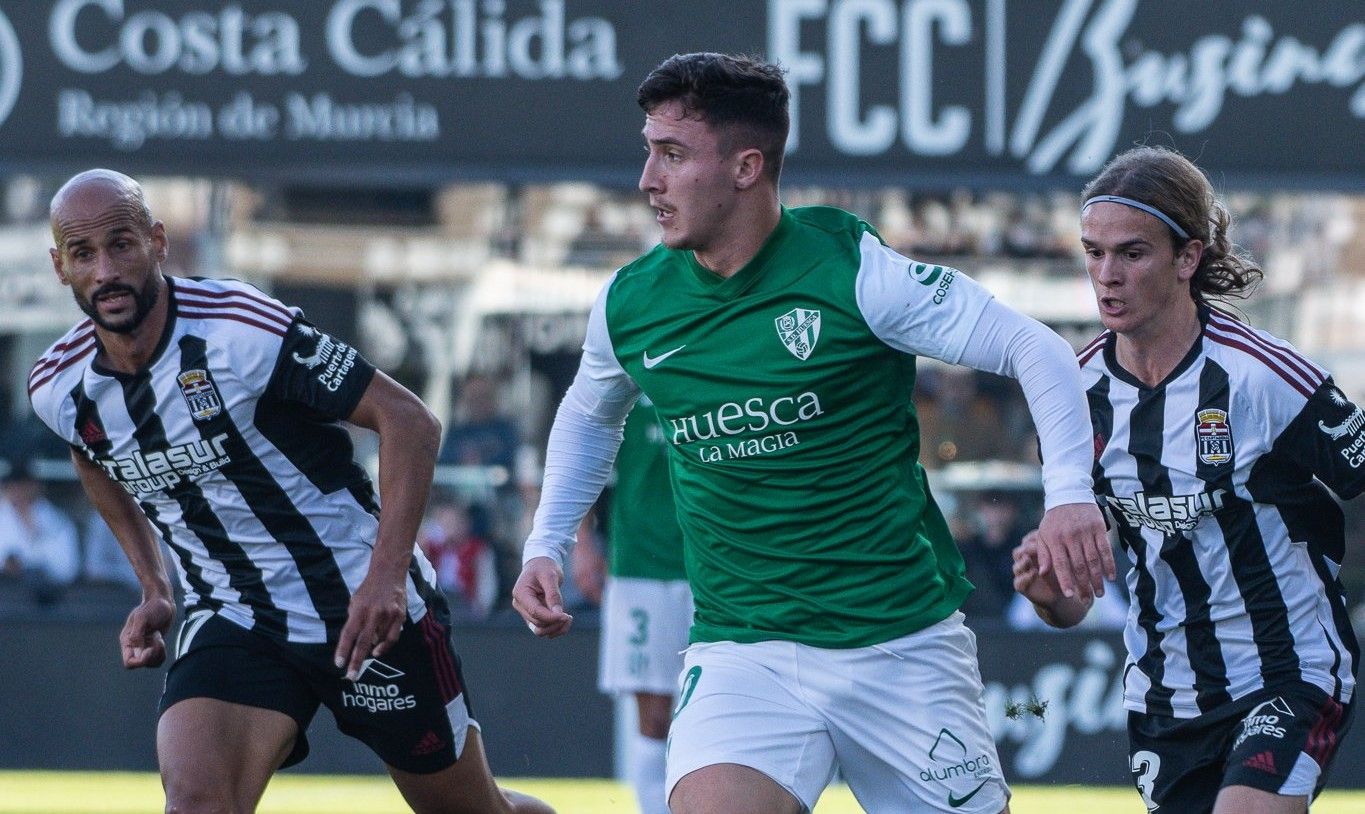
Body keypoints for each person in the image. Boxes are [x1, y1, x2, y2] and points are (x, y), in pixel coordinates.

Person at [512, 52, 1113, 814]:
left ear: (745, 167)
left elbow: (1038, 348)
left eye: (671, 155)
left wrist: (1067, 499)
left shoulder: (852, 272)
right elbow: (587, 414)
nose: (646, 182)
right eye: (648, 151)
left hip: (901, 646)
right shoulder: (632, 303)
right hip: (743, 648)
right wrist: (547, 543)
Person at [28, 169, 552, 814]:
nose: (106, 270)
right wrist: (155, 586)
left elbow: (410, 421)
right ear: (60, 266)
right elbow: (93, 455)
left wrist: (387, 578)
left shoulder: (240, 329)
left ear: (158, 242)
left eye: (122, 245)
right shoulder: (59, 386)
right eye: (84, 254)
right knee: (197, 800)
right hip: (234, 612)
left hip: (361, 602)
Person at [1012, 146, 1359, 814]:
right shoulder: (1071, 397)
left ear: (1187, 258)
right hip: (1164, 698)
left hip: (1285, 673)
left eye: (1131, 253)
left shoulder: (1263, 378)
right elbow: (1072, 606)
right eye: (1092, 252)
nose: (1105, 276)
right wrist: (1047, 593)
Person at [571, 396, 692, 814]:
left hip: (715, 566)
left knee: (715, 712)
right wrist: (582, 543)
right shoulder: (626, 378)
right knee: (655, 716)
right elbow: (586, 453)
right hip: (641, 568)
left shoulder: (713, 363)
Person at [0, 459, 80, 605]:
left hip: (43, 603)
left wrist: (27, 565)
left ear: (35, 486)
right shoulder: (2, 515)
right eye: (13, 484)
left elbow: (67, 569)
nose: (18, 490)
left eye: (23, 484)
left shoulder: (57, 521)